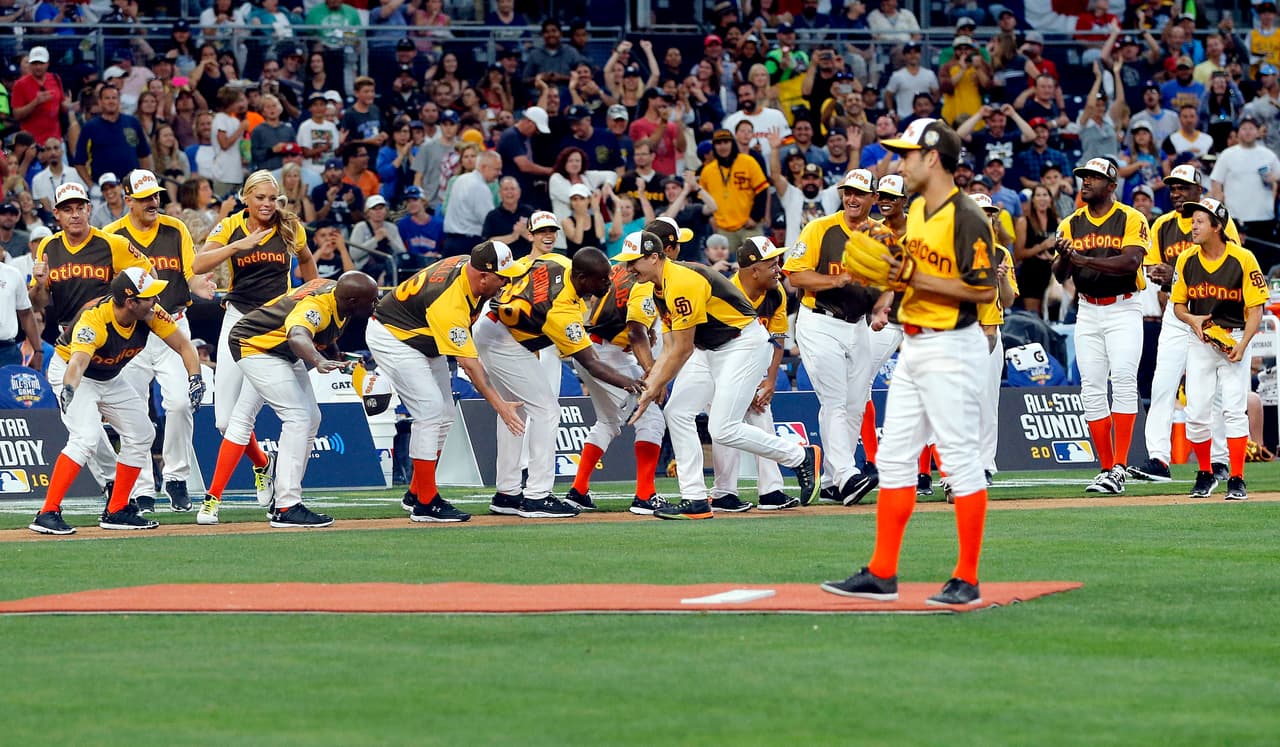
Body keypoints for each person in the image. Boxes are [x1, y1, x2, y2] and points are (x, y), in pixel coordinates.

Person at [822, 118, 997, 607]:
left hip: (952, 345)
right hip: (915, 343)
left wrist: (912, 276)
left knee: (958, 459)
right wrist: (889, 277)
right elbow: (908, 273)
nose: (900, 164)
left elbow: (984, 289)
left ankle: (966, 578)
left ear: (933, 157)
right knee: (895, 459)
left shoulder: (967, 216)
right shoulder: (917, 210)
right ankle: (882, 573)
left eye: (907, 155)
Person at [621, 230, 821, 519]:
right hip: (710, 349)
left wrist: (654, 387)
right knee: (677, 412)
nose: (628, 268)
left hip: (743, 344)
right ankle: (695, 498)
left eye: (633, 261)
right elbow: (671, 346)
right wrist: (650, 384)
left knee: (723, 428)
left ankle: (800, 456)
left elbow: (682, 349)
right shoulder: (659, 288)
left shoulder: (681, 281)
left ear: (653, 257)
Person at [28, 267, 204, 535]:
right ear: (130, 302)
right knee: (85, 439)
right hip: (75, 375)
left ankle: (117, 509)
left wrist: (195, 377)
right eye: (149, 297)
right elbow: (78, 362)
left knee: (142, 433)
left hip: (109, 377)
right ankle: (47, 512)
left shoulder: (150, 313)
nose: (156, 301)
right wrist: (69, 388)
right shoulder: (95, 319)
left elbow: (183, 345)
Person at [475, 248, 644, 519]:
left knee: (514, 410)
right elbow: (592, 363)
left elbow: (525, 269)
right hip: (504, 340)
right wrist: (630, 382)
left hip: (495, 326)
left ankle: (507, 493)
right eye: (601, 279)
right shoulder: (560, 311)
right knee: (547, 411)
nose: (608, 283)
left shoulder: (559, 261)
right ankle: (537, 496)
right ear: (582, 278)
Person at [198, 273, 378, 528]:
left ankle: (281, 499)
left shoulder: (339, 297)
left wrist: (335, 357)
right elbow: (297, 335)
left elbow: (320, 334)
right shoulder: (317, 307)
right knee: (297, 418)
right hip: (256, 346)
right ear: (352, 300)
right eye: (371, 299)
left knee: (310, 418)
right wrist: (318, 361)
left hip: (278, 348)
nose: (375, 303)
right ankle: (286, 506)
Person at [371, 241, 525, 522]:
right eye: (502, 277)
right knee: (429, 412)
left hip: (423, 334)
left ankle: (416, 492)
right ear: (483, 276)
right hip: (394, 336)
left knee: (445, 414)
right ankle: (426, 504)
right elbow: (469, 364)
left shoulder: (472, 269)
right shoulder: (449, 301)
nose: (506, 283)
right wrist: (501, 406)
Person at [192, 170, 317, 512]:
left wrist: (312, 296)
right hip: (239, 320)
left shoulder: (289, 225)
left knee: (251, 415)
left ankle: (267, 494)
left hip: (276, 325)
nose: (267, 204)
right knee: (223, 420)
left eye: (272, 198)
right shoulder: (231, 225)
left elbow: (307, 260)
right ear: (245, 198)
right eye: (260, 197)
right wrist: (237, 246)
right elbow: (198, 263)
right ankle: (262, 463)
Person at [107, 169, 213, 513]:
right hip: (131, 330)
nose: (153, 202)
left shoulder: (175, 228)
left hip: (172, 324)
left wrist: (201, 286)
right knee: (133, 412)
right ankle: (141, 489)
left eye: (155, 195)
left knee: (180, 402)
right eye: (144, 198)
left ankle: (177, 477)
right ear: (128, 200)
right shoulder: (112, 235)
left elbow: (190, 272)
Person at [782, 168, 886, 505]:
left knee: (855, 404)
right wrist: (834, 281)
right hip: (819, 321)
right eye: (847, 192)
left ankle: (830, 481)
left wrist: (881, 309)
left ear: (874, 198)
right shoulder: (820, 228)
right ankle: (846, 474)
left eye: (859, 193)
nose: (852, 198)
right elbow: (794, 276)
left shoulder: (881, 235)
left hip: (858, 325)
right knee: (835, 400)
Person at [1130, 164, 1238, 483]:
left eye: (1183, 188)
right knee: (1162, 383)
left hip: (1212, 314)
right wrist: (1164, 278)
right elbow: (1155, 272)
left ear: (1198, 192)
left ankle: (1219, 459)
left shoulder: (1216, 220)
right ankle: (1158, 458)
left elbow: (1231, 265)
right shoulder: (1162, 225)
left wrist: (1175, 270)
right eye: (1173, 188)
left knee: (1211, 390)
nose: (1176, 193)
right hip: (1178, 314)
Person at [1053, 157, 1154, 495]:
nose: (1086, 181)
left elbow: (1131, 262)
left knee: (1123, 380)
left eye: (1094, 177)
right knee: (1092, 388)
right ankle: (1107, 467)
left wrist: (1082, 259)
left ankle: (1120, 467)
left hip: (1123, 306)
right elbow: (1060, 275)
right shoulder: (1071, 222)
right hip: (1087, 308)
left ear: (1111, 186)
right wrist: (1064, 256)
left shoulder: (1131, 217)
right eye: (1084, 176)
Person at [1172, 197, 1265, 501]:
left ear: (1217, 226)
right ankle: (1205, 473)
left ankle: (1237, 478)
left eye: (1199, 221)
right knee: (1196, 412)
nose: (1193, 226)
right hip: (1201, 339)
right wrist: (1191, 319)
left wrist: (1244, 344)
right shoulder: (1186, 259)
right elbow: (1178, 305)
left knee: (1234, 409)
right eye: (1192, 221)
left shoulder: (1243, 258)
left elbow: (1256, 308)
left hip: (1234, 337)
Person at [565, 255, 668, 513]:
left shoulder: (618, 270)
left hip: (591, 347)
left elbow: (598, 302)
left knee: (608, 422)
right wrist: (653, 375)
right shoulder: (644, 282)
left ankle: (578, 491)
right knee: (652, 419)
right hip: (610, 355)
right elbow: (635, 333)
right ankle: (645, 495)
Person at [706, 237, 802, 512]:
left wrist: (770, 379)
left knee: (762, 417)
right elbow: (713, 345)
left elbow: (778, 336)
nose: (778, 269)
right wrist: (739, 387)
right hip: (716, 364)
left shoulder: (776, 292)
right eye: (771, 264)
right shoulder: (725, 293)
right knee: (725, 424)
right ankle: (724, 491)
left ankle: (771, 491)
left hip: (752, 364)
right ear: (753, 269)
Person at [970, 193, 1020, 480]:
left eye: (989, 214)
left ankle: (985, 463)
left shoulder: (1001, 253)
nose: (985, 218)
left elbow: (1009, 300)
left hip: (990, 329)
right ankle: (957, 465)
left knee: (988, 401)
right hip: (959, 331)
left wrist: (1001, 279)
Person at [1210, 116, 1280, 271]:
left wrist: (1273, 178)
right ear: (1238, 132)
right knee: (1236, 264)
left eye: (1251, 128)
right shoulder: (1227, 155)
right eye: (1244, 128)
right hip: (1235, 218)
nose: (1248, 132)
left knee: (1263, 265)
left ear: (1258, 132)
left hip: (1263, 218)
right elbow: (1216, 181)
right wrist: (1218, 202)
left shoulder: (1268, 155)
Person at [699, 129, 768, 249]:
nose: (723, 146)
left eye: (726, 142)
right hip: (723, 229)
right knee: (723, 260)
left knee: (758, 258)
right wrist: (710, 218)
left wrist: (755, 217)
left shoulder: (748, 162)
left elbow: (762, 191)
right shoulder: (707, 171)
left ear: (733, 143)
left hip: (750, 226)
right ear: (714, 147)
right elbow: (702, 198)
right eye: (718, 143)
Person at [72, 85, 151, 187]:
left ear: (119, 101)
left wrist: (144, 181)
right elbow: (79, 162)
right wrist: (92, 187)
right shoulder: (90, 127)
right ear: (100, 102)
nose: (111, 101)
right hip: (104, 189)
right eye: (107, 98)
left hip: (132, 186)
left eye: (114, 98)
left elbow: (144, 155)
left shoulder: (132, 122)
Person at [442, 150, 501, 257]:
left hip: (450, 242)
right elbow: (489, 221)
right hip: (468, 244)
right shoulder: (480, 187)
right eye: (496, 169)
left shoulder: (461, 179)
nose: (499, 173)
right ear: (484, 167)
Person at [11, 46, 66, 144]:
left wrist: (70, 106)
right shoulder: (20, 84)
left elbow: (62, 105)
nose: (38, 67)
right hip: (32, 143)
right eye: (35, 63)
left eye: (41, 63)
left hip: (54, 141)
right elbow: (17, 115)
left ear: (48, 63)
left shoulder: (55, 78)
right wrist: (35, 102)